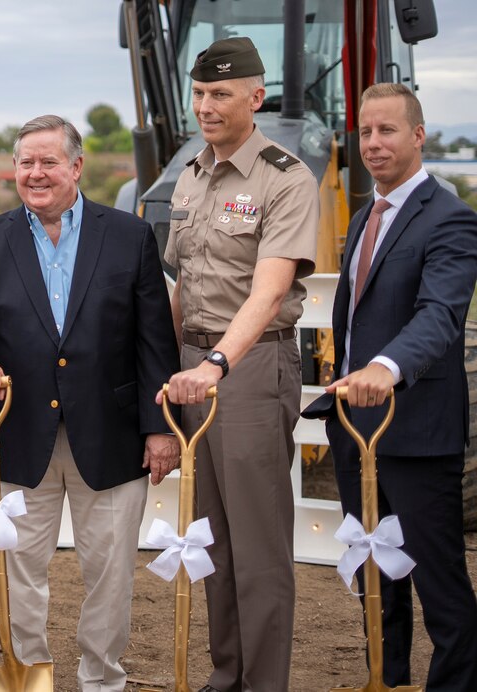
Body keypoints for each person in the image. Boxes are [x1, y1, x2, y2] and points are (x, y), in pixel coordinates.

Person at [0, 115, 180, 691]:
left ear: (76, 167)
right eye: (26, 162)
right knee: (19, 568)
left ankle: (102, 680)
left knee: (109, 572)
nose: (36, 173)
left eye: (48, 161)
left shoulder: (128, 235)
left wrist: (161, 429)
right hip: (20, 431)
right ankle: (27, 676)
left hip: (113, 431)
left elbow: (154, 338)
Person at [159, 37, 319, 692]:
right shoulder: (191, 176)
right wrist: (166, 374)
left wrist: (218, 363)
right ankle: (228, 675)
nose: (206, 105)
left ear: (256, 97)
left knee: (257, 548)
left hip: (247, 367)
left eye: (220, 93)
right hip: (193, 364)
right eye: (199, 93)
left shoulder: (286, 177)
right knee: (214, 540)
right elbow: (180, 283)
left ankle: (264, 684)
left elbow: (270, 290)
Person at [305, 83, 477, 691]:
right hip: (356, 431)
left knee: (439, 581)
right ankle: (388, 677)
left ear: (418, 136)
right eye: (365, 133)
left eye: (387, 131)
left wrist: (386, 366)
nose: (373, 144)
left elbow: (439, 315)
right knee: (376, 572)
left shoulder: (452, 219)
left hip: (416, 428)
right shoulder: (362, 219)